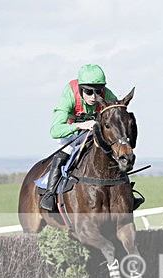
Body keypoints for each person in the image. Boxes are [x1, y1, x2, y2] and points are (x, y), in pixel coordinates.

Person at [40, 64, 119, 210]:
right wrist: (80, 125)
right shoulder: (70, 93)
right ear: (81, 88)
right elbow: (55, 131)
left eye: (98, 91)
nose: (94, 97)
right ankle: (50, 194)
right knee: (67, 150)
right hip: (71, 133)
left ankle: (125, 191)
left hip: (95, 134)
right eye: (88, 92)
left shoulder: (108, 95)